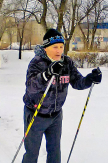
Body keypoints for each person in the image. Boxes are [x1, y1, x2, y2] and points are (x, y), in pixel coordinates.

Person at [22, 28, 102, 163]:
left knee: (55, 152)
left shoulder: (67, 62)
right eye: (55, 47)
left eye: (61, 47)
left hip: (56, 116)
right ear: (46, 48)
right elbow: (31, 86)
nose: (59, 50)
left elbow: (77, 82)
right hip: (36, 115)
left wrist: (90, 79)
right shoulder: (37, 62)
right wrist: (47, 74)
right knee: (32, 154)